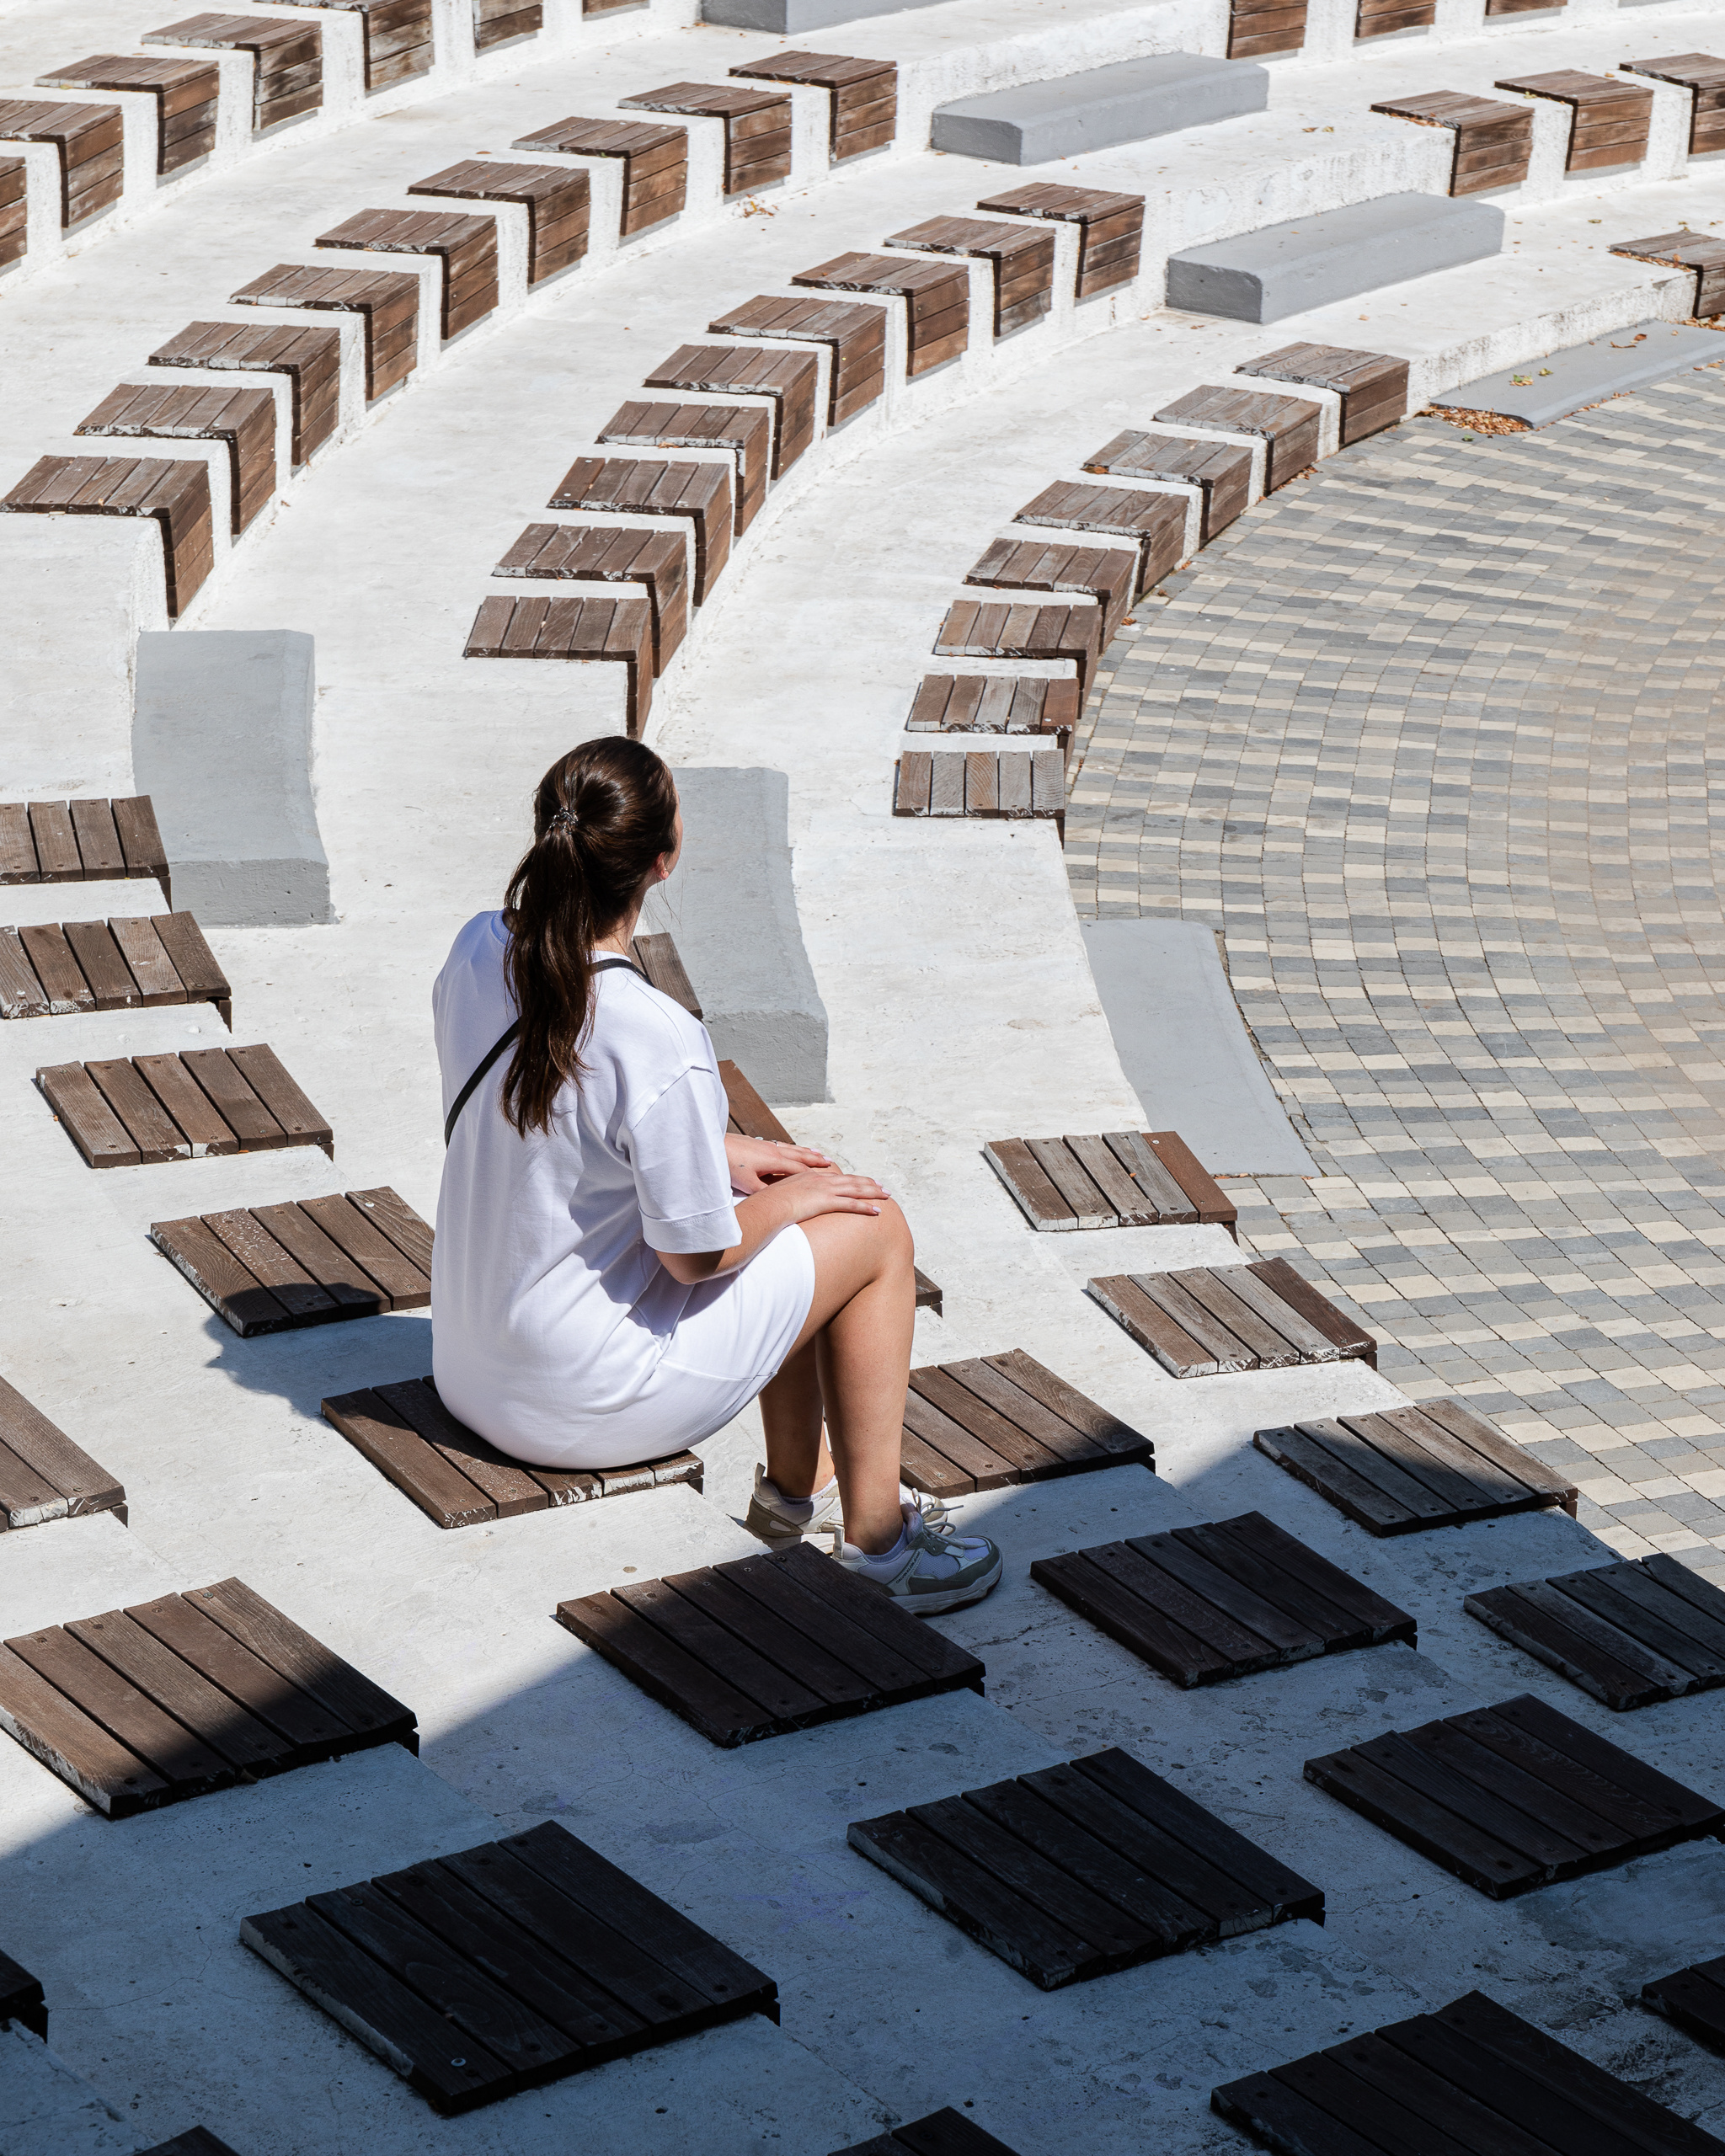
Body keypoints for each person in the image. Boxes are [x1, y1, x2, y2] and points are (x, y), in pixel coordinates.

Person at [431, 739, 1001, 1613]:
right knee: (870, 1227)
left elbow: (540, 1119)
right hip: (579, 1402)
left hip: (473, 1367)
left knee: (769, 1200)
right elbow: (694, 1259)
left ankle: (793, 1497)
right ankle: (883, 1545)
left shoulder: (480, 948)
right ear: (662, 862)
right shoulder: (654, 1031)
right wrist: (792, 1196)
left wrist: (718, 1156)